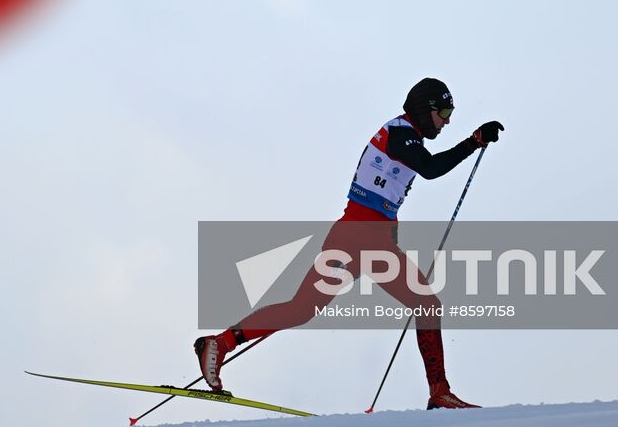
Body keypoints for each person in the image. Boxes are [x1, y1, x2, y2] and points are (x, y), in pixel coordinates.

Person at [193, 77, 504, 410]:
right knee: (423, 304)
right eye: (443, 113)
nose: (446, 121)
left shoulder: (406, 136)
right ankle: (439, 393)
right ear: (424, 109)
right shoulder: (402, 134)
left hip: (361, 238)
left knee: (304, 309)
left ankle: (220, 343)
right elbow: (430, 169)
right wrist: (473, 142)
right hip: (361, 238)